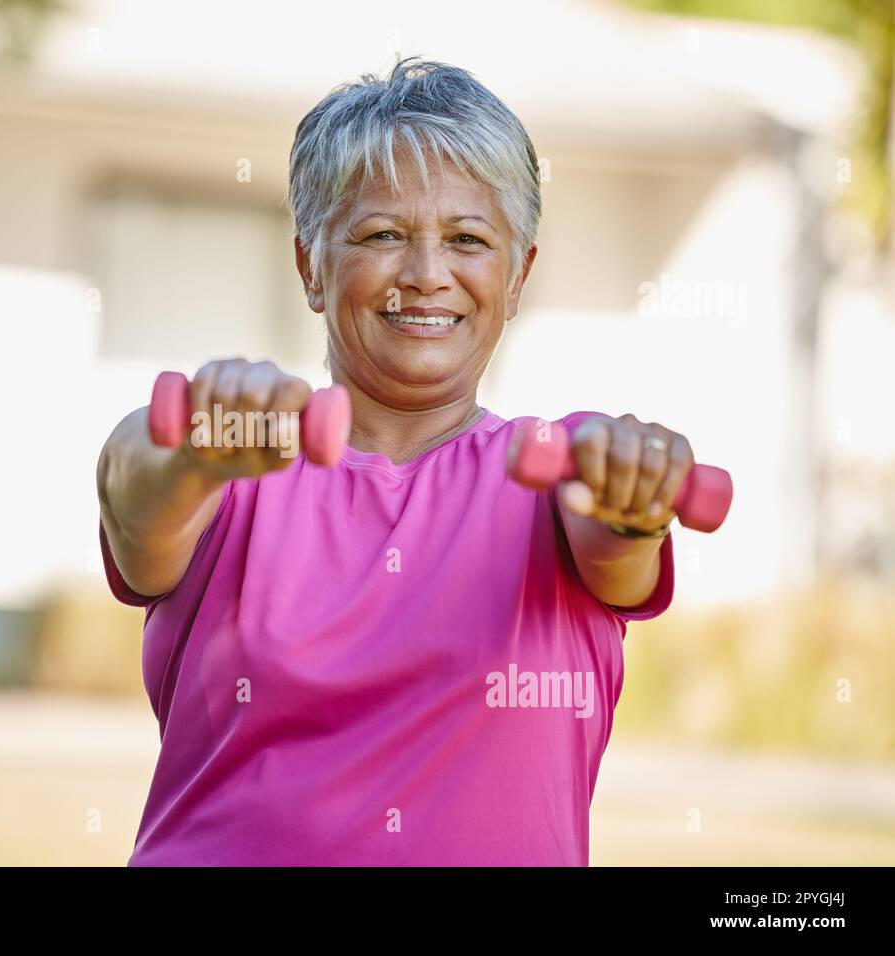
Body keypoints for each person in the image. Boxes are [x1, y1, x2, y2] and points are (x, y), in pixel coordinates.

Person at [95, 56, 689, 866]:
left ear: (518, 275)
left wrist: (632, 502)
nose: (426, 275)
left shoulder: (557, 469)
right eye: (382, 235)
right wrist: (197, 452)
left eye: (468, 240)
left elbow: (617, 541)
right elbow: (136, 486)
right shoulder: (232, 464)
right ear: (309, 263)